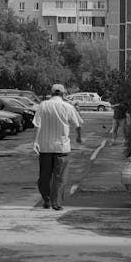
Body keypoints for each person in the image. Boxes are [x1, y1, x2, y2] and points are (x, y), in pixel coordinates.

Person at [32, 83, 83, 211]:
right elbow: (77, 125)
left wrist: (35, 142)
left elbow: (37, 124)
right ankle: (56, 203)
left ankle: (46, 199)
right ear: (63, 94)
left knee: (44, 177)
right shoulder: (68, 106)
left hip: (45, 147)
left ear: (51, 93)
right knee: (60, 177)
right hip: (62, 148)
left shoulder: (43, 105)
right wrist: (78, 137)